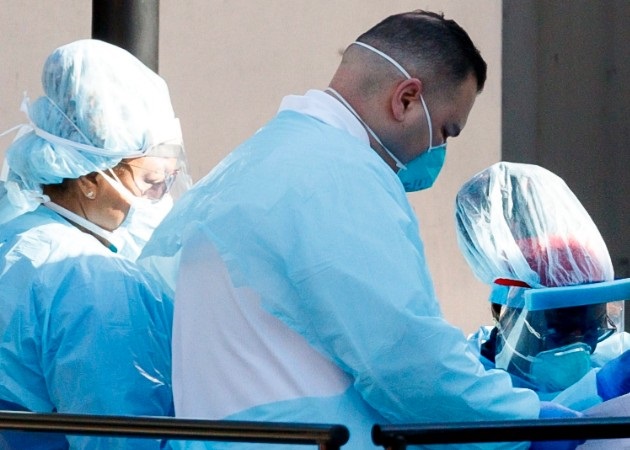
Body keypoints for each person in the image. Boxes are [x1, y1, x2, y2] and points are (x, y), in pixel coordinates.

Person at [139, 10, 621, 450]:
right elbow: (406, 363)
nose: (437, 149)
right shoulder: (340, 176)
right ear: (407, 98)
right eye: (447, 130)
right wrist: (531, 426)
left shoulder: (254, 163)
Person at [0, 39, 184, 449]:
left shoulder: (18, 234)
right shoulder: (89, 278)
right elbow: (123, 437)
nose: (161, 199)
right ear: (86, 178)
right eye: (151, 183)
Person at [456, 161, 630, 412]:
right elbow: (511, 425)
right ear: (503, 311)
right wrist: (599, 388)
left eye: (595, 326)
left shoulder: (614, 354)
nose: (582, 344)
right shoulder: (466, 377)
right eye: (563, 328)